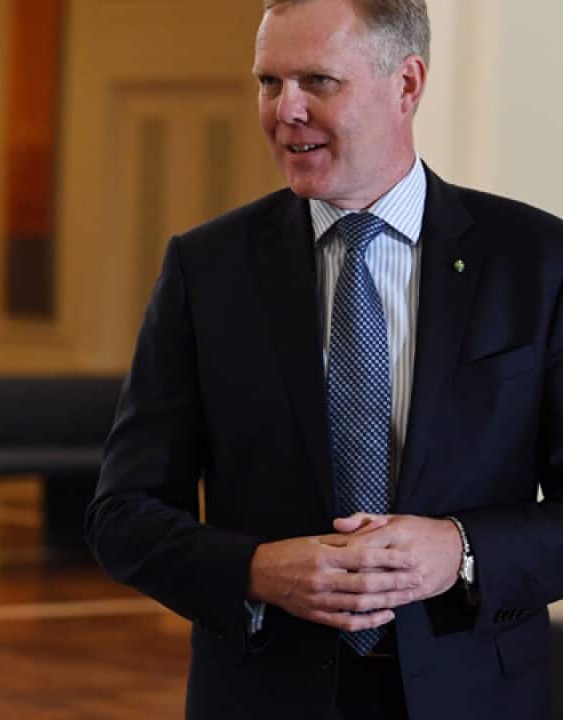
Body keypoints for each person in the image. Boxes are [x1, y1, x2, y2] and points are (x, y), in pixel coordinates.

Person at [85, 1, 563, 718]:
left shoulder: (536, 261)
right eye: (269, 82)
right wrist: (254, 570)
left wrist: (460, 550)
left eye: (316, 80)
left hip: (478, 693)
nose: (287, 111)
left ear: (407, 84)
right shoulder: (206, 268)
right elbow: (122, 514)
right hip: (263, 692)